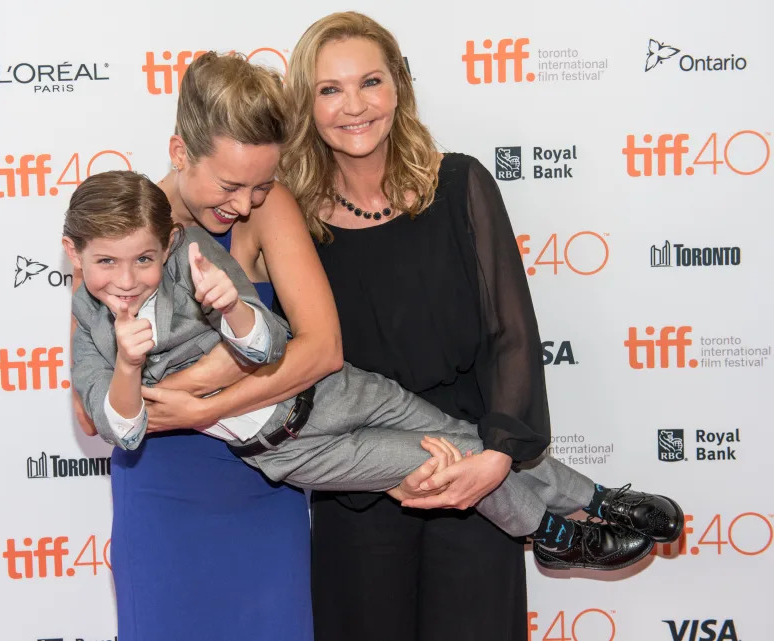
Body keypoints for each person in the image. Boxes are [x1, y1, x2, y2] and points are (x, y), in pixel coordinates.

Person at [65, 170, 682, 575]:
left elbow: (269, 341)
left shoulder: (195, 255)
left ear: (166, 244)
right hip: (291, 450)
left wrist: (229, 307)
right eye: (107, 262)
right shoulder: (90, 327)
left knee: (477, 440)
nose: (126, 278)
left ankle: (598, 500)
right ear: (74, 256)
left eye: (143, 258)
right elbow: (119, 425)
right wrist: (129, 363)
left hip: (334, 388)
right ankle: (553, 531)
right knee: (443, 460)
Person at [278, 11, 649, 641]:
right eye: (329, 89)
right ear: (306, 106)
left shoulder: (459, 183)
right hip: (359, 486)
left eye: (370, 81)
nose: (354, 106)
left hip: (476, 475)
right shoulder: (289, 216)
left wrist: (500, 456)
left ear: (400, 85)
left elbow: (511, 334)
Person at [67, 52, 343, 641]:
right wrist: (215, 377)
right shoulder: (121, 232)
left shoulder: (270, 211)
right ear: (180, 153)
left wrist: (200, 403)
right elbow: (92, 412)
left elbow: (322, 351)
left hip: (265, 480)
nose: (244, 204)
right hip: (161, 491)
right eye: (229, 184)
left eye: (262, 184)